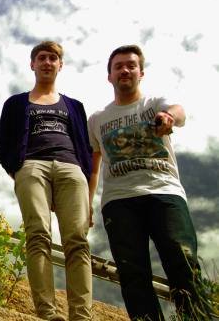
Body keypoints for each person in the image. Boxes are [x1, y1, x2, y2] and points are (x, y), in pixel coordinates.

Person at [88, 45, 208, 320]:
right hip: (118, 201)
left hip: (164, 192)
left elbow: (179, 111)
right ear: (109, 76)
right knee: (132, 274)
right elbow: (93, 168)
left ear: (141, 73)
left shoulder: (155, 103)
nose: (125, 70)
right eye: (118, 66)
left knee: (183, 263)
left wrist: (169, 118)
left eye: (131, 65)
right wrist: (87, 204)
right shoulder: (96, 120)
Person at [0, 41, 93, 321]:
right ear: (33, 64)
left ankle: (82, 316)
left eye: (53, 58)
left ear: (60, 65)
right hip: (31, 167)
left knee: (77, 240)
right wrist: (19, 172)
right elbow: (3, 147)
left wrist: (86, 185)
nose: (47, 62)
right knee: (38, 234)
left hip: (71, 169)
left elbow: (86, 147)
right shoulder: (15, 103)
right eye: (42, 58)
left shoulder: (75, 106)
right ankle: (47, 313)